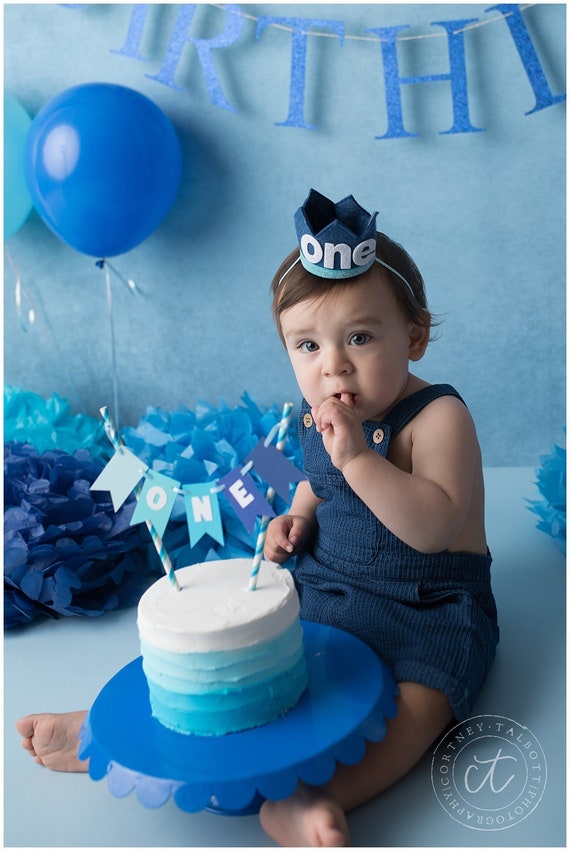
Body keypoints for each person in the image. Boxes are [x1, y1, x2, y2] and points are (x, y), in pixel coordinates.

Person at [16, 189, 499, 847]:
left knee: (421, 705)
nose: (333, 365)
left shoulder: (439, 418)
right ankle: (110, 739)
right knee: (262, 672)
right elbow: (311, 485)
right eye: (307, 345)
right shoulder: (311, 414)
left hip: (428, 606)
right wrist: (290, 522)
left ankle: (315, 797)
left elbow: (435, 525)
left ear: (412, 337)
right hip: (328, 587)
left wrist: (359, 459)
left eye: (359, 336)